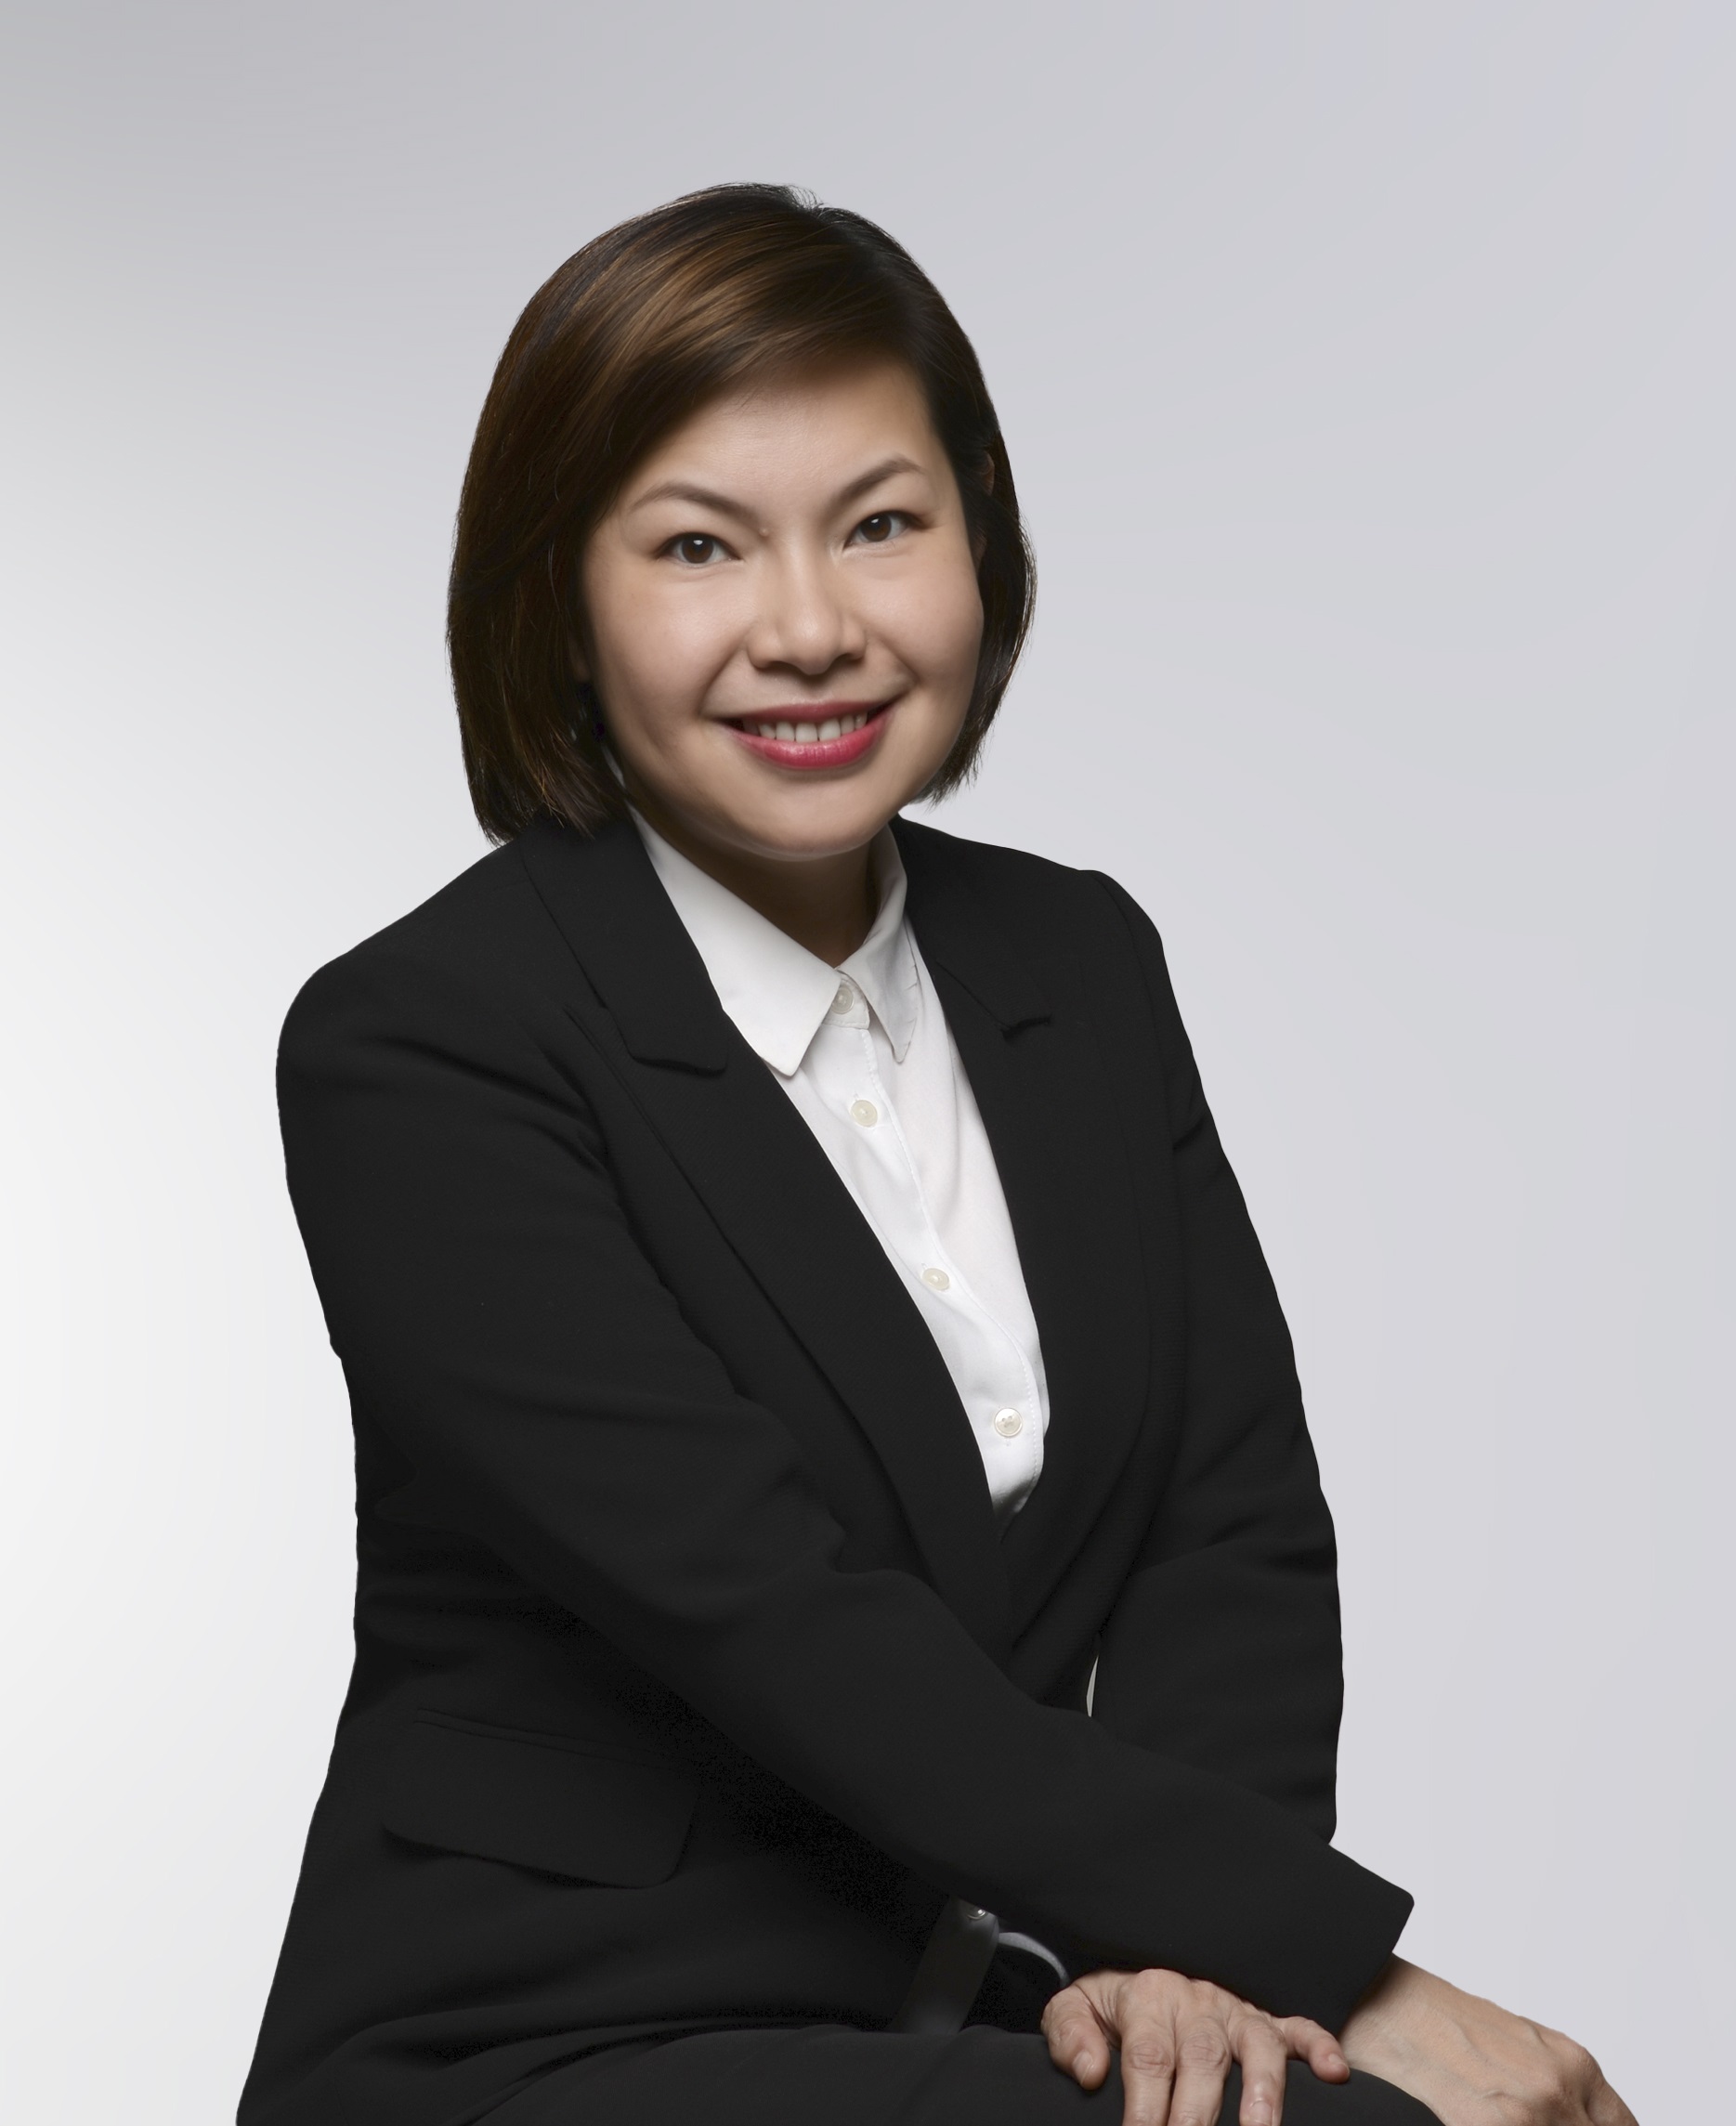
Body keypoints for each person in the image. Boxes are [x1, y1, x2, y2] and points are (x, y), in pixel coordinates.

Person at [238, 185, 1636, 2126]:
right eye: (698, 545)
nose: (811, 627)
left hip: (985, 2004)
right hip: (554, 2038)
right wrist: (1344, 1966)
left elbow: (1223, 1522)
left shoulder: (1074, 955)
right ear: (556, 596)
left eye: (880, 524)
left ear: (980, 537)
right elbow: (770, 1615)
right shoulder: (425, 1043)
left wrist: (1195, 1967)